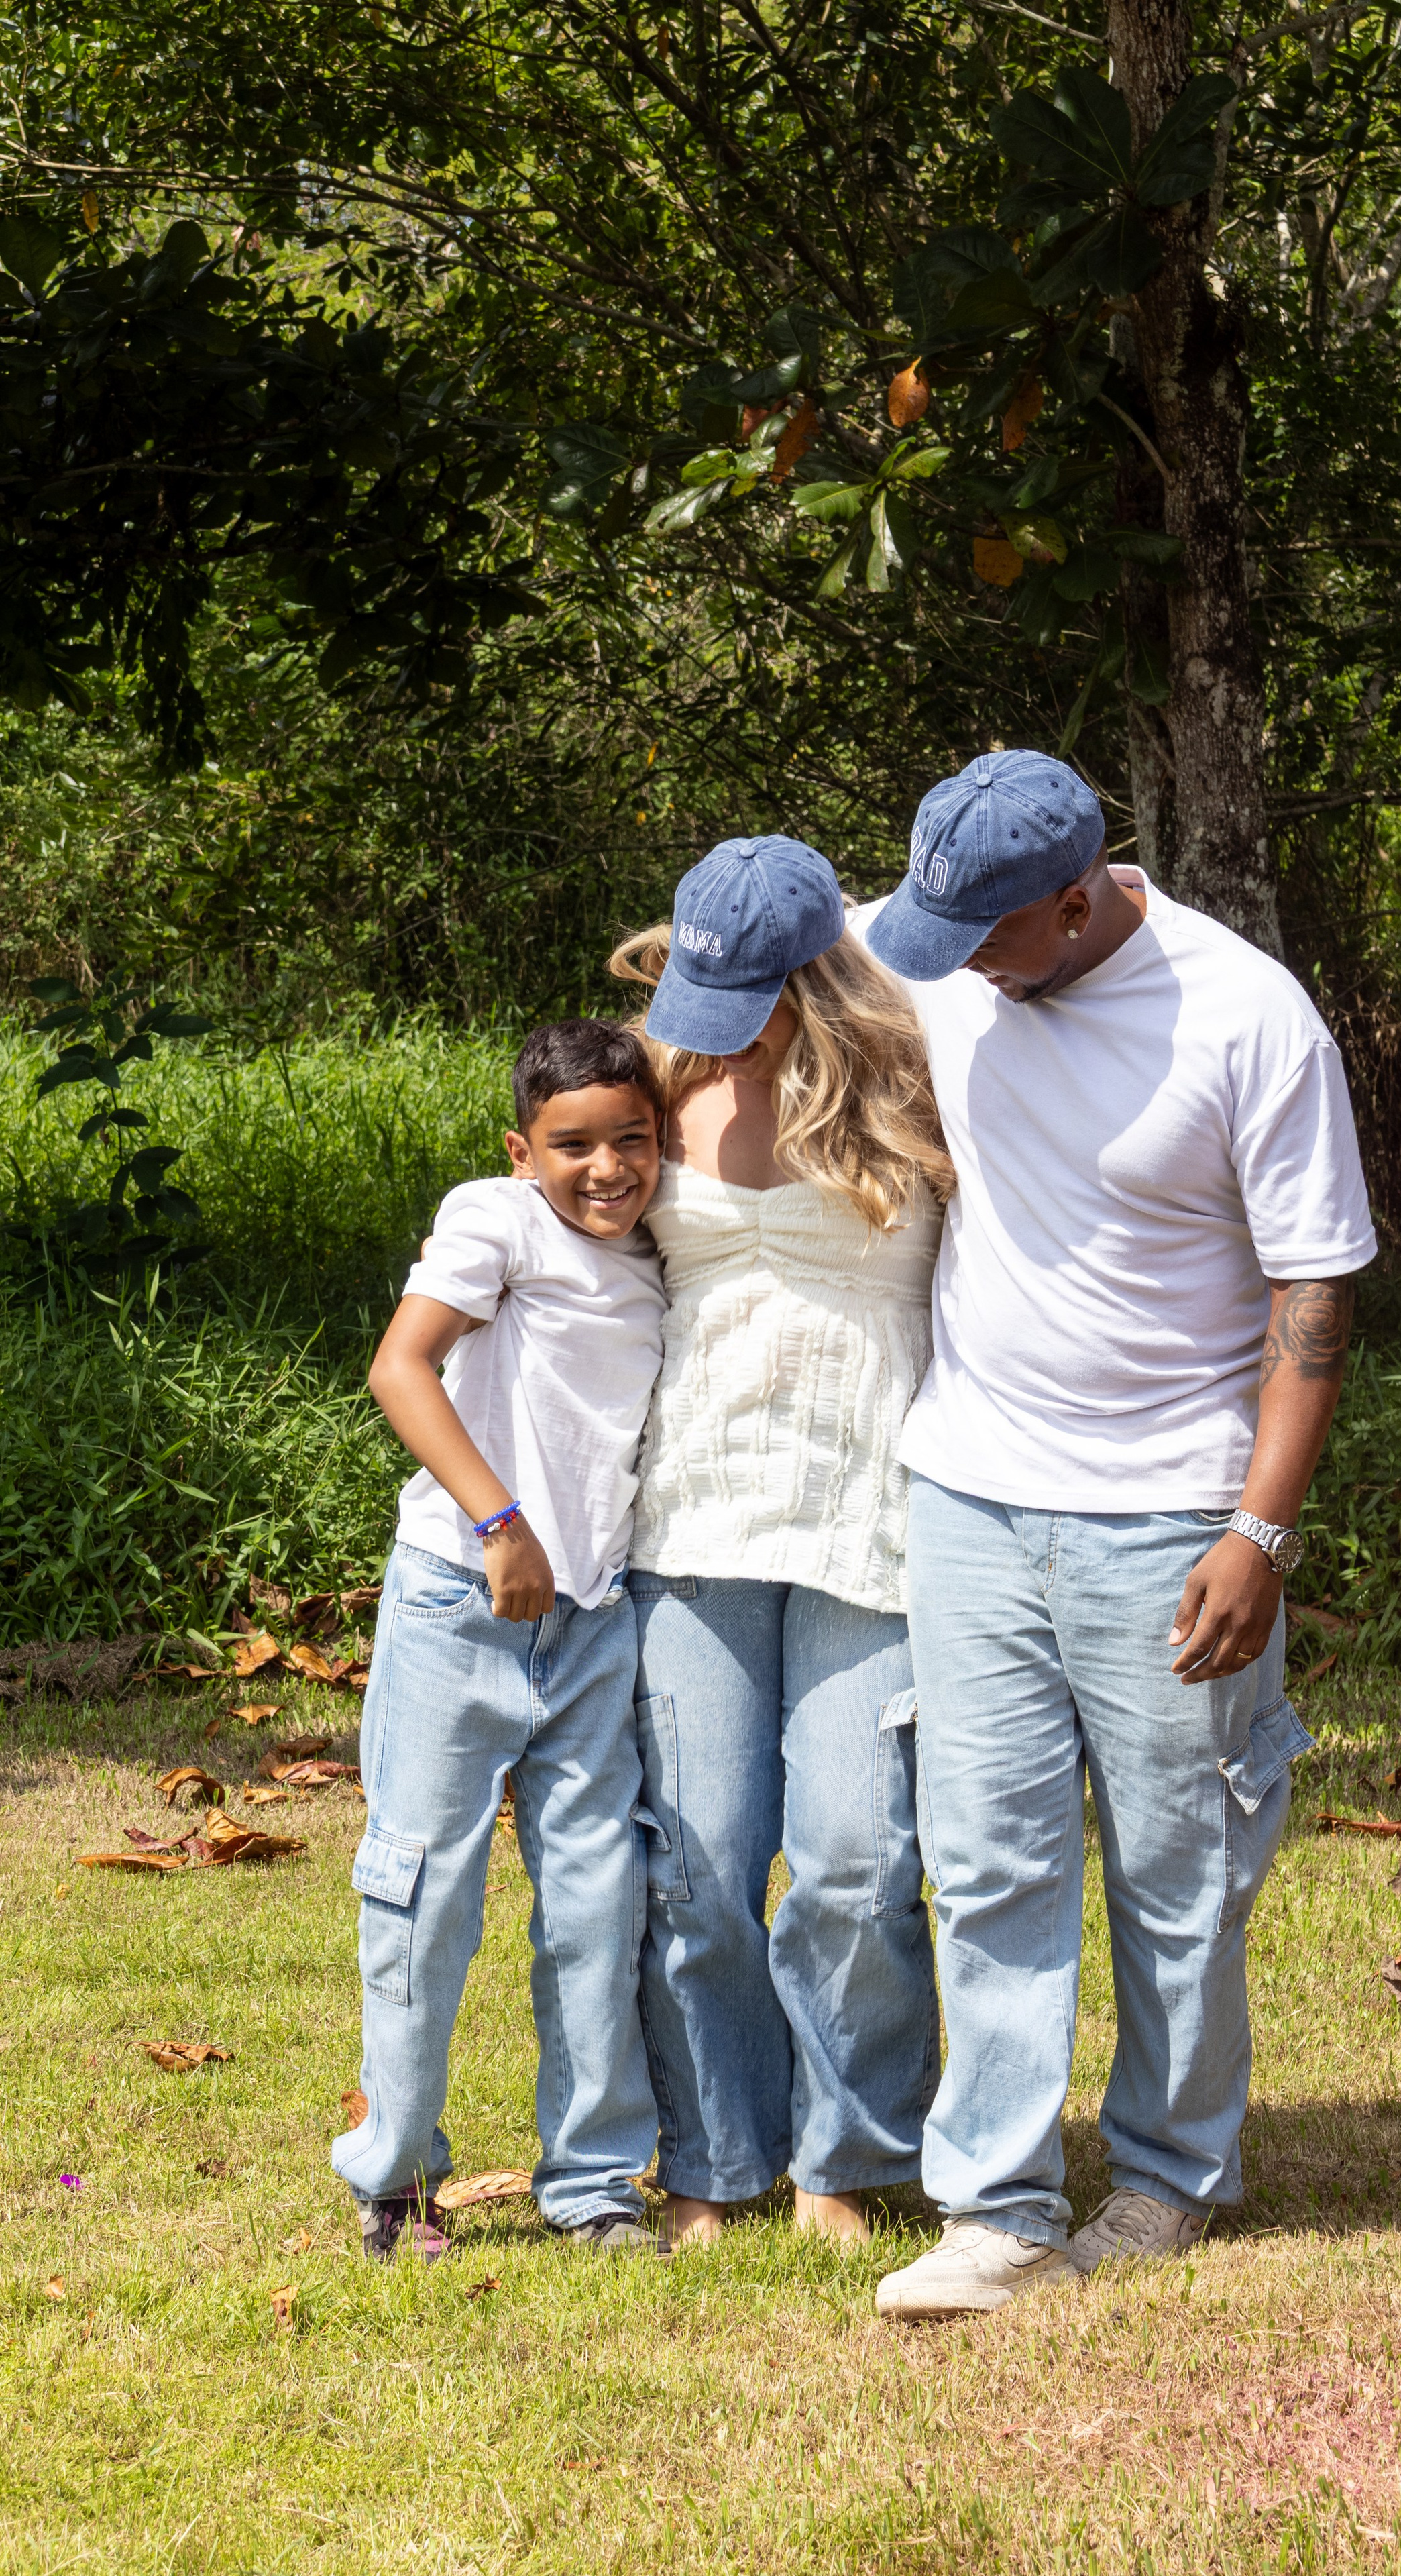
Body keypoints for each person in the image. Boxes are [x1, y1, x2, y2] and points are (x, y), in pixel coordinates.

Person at [854, 751, 1377, 2319]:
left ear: (1076, 901)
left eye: (988, 941)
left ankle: (1165, 2176)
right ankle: (997, 2205)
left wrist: (1256, 1536)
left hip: (1167, 1511)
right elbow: (772, 950)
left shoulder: (1243, 1018)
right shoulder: (937, 941)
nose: (952, 972)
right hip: (968, 1491)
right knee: (986, 1853)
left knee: (1179, 1866)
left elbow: (1313, 1296)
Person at [609, 834, 953, 2249]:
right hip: (688, 1505)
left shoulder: (924, 1072)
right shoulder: (656, 1077)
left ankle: (845, 2153)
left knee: (857, 1857)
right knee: (696, 1858)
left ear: (812, 976)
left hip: (869, 1505)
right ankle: (712, 2153)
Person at [334, 1018, 667, 2261]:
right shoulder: (495, 1218)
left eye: (632, 1141)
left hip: (592, 1622)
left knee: (595, 1900)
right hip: (458, 1601)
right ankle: (396, 2173)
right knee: (423, 1894)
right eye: (574, 1145)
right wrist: (500, 1522)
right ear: (524, 1151)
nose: (607, 1169)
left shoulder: (656, 1254)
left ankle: (588, 2183)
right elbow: (400, 1368)